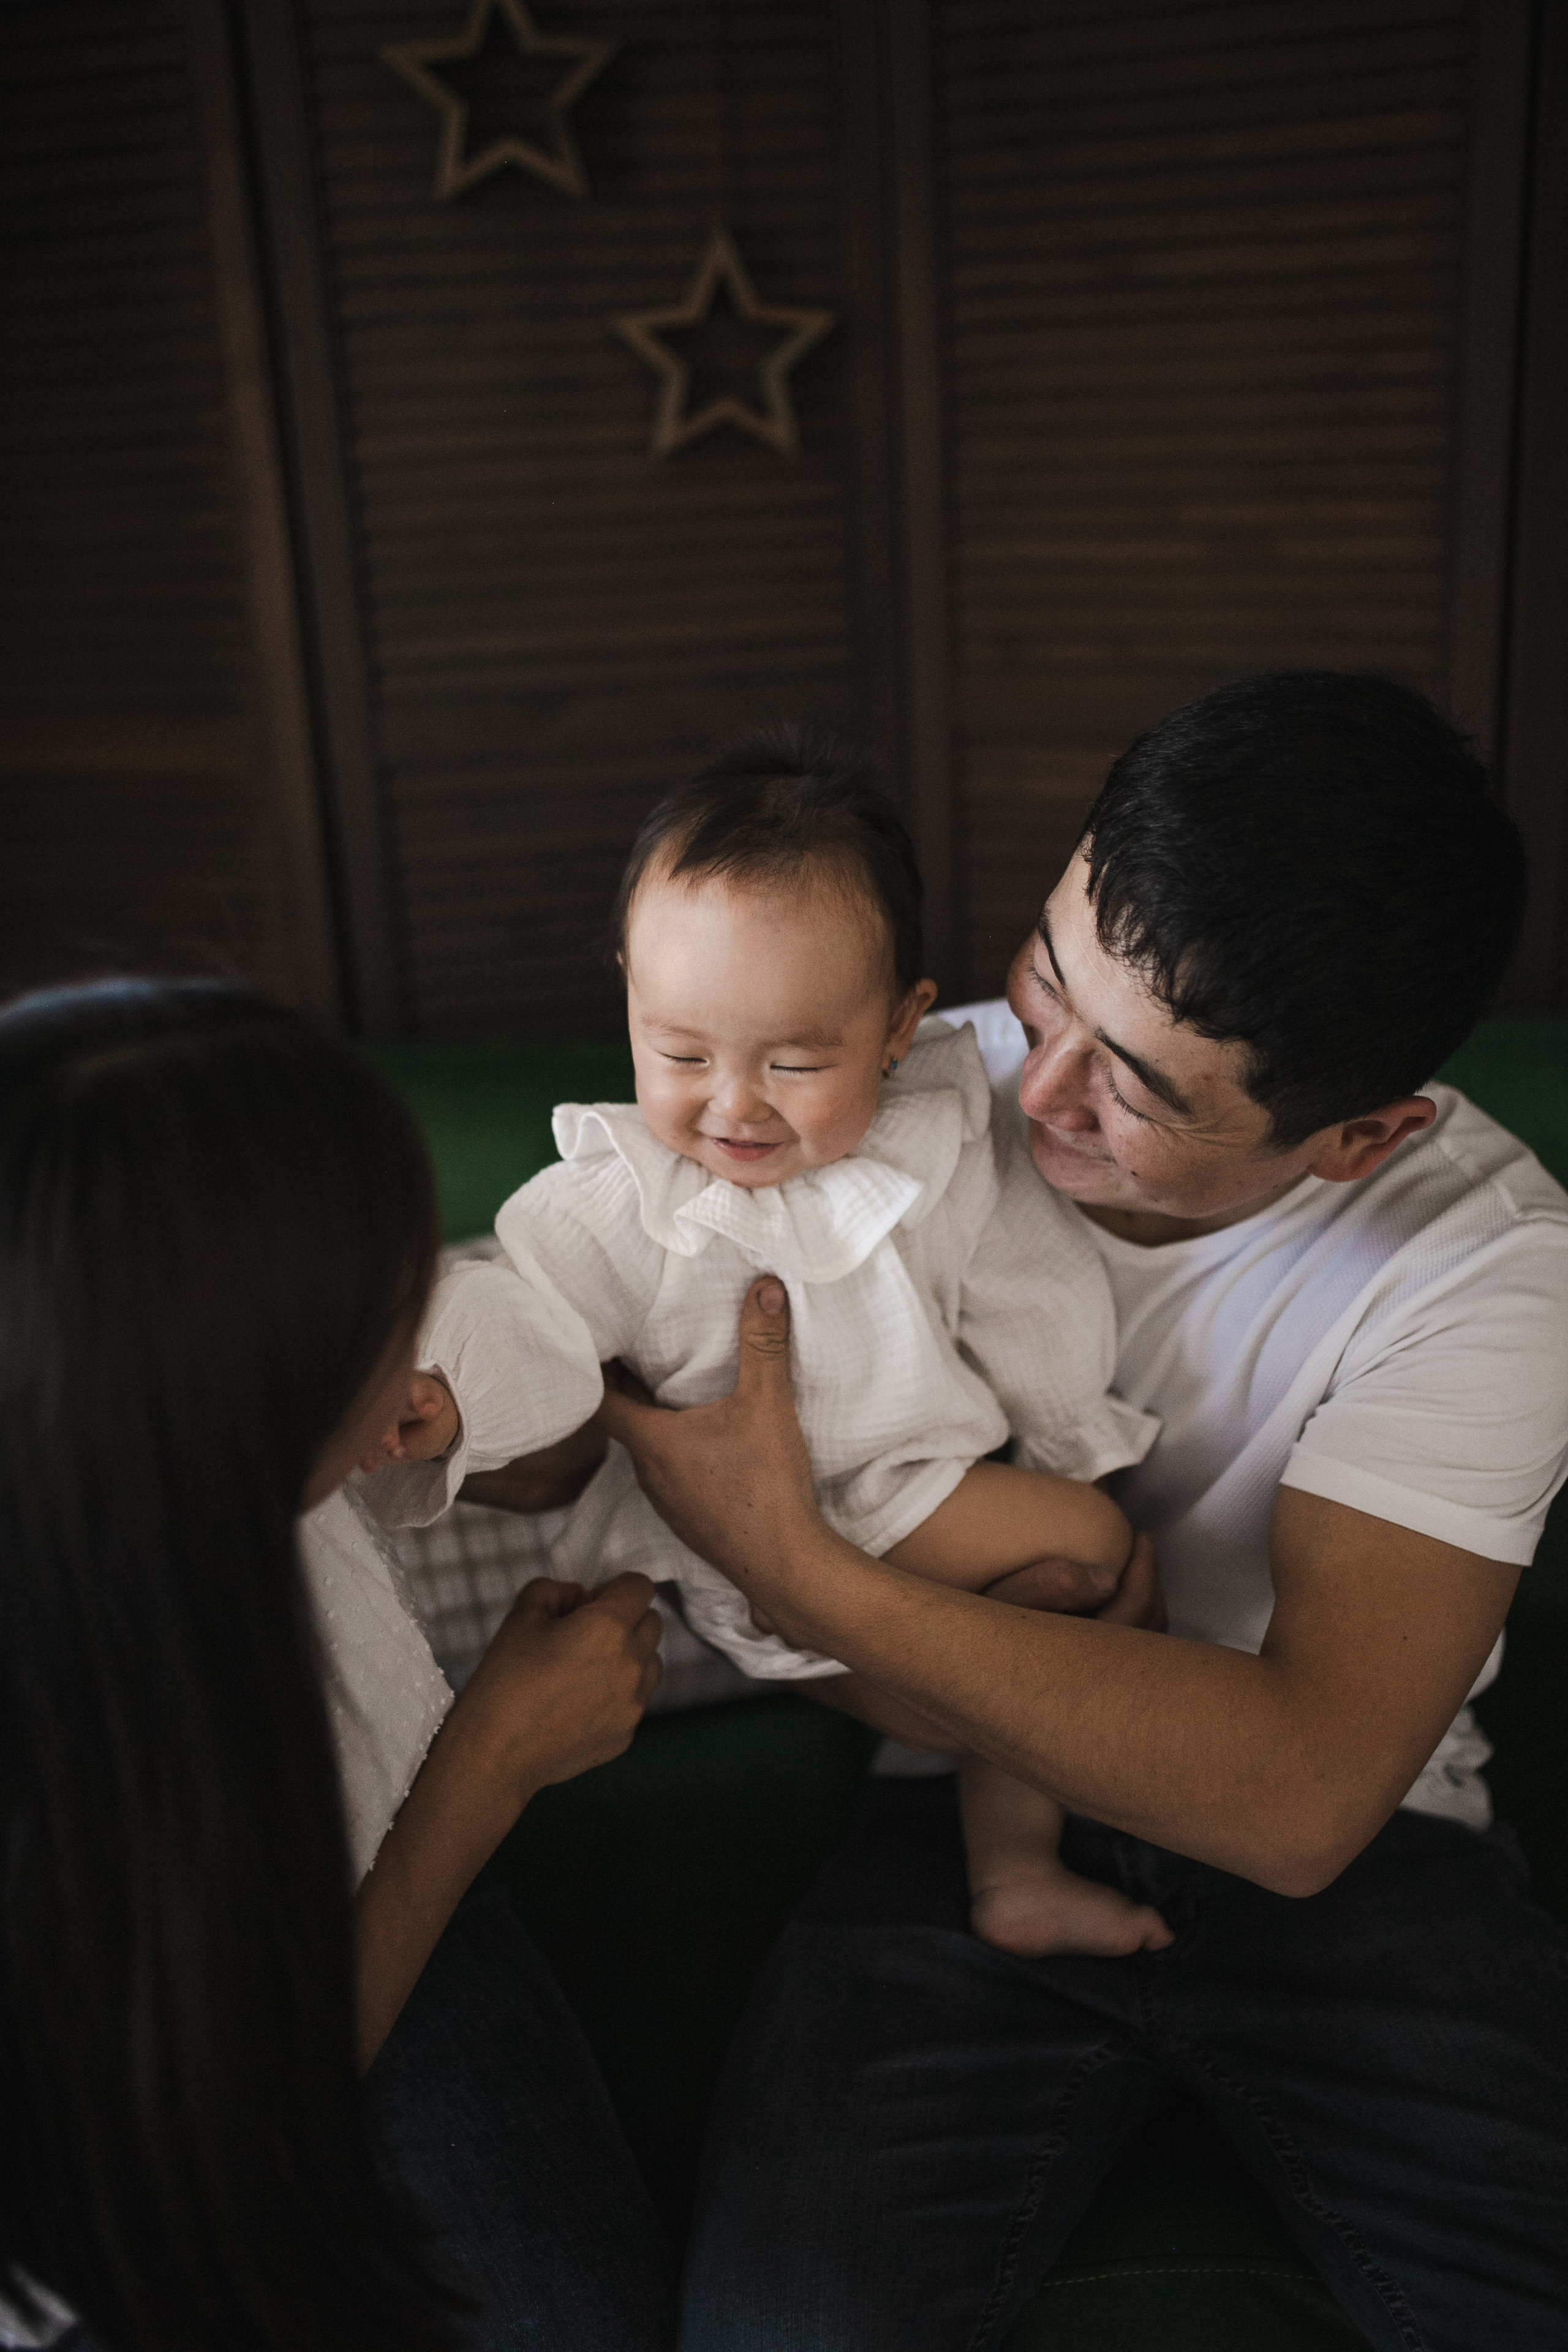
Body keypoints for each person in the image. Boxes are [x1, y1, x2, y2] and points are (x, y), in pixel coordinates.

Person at [595, 675, 1568, 2352]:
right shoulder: (889, 1092)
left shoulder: (1489, 1266)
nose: (1028, 1094)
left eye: (1129, 1092)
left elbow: (1304, 1795)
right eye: (1043, 983)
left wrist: (791, 1570)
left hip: (1381, 1863)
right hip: (941, 1824)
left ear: (1357, 1138)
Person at [375, 731, 1175, 1958]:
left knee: (1082, 1566)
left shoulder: (944, 1140)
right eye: (680, 1054)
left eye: (796, 1063)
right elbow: (525, 1309)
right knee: (1090, 1556)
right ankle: (895, 1696)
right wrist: (451, 1391)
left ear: (901, 1025)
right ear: (631, 1007)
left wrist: (1070, 1434)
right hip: (729, 1529)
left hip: (910, 1490)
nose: (734, 1105)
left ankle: (1007, 1862)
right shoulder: (619, 1197)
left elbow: (1031, 1288)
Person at [0, 979, 669, 2352]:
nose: (416, 1336)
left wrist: (504, 1432)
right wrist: (489, 1767)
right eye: (379, 1320)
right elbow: (210, 2137)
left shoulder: (105, 1425)